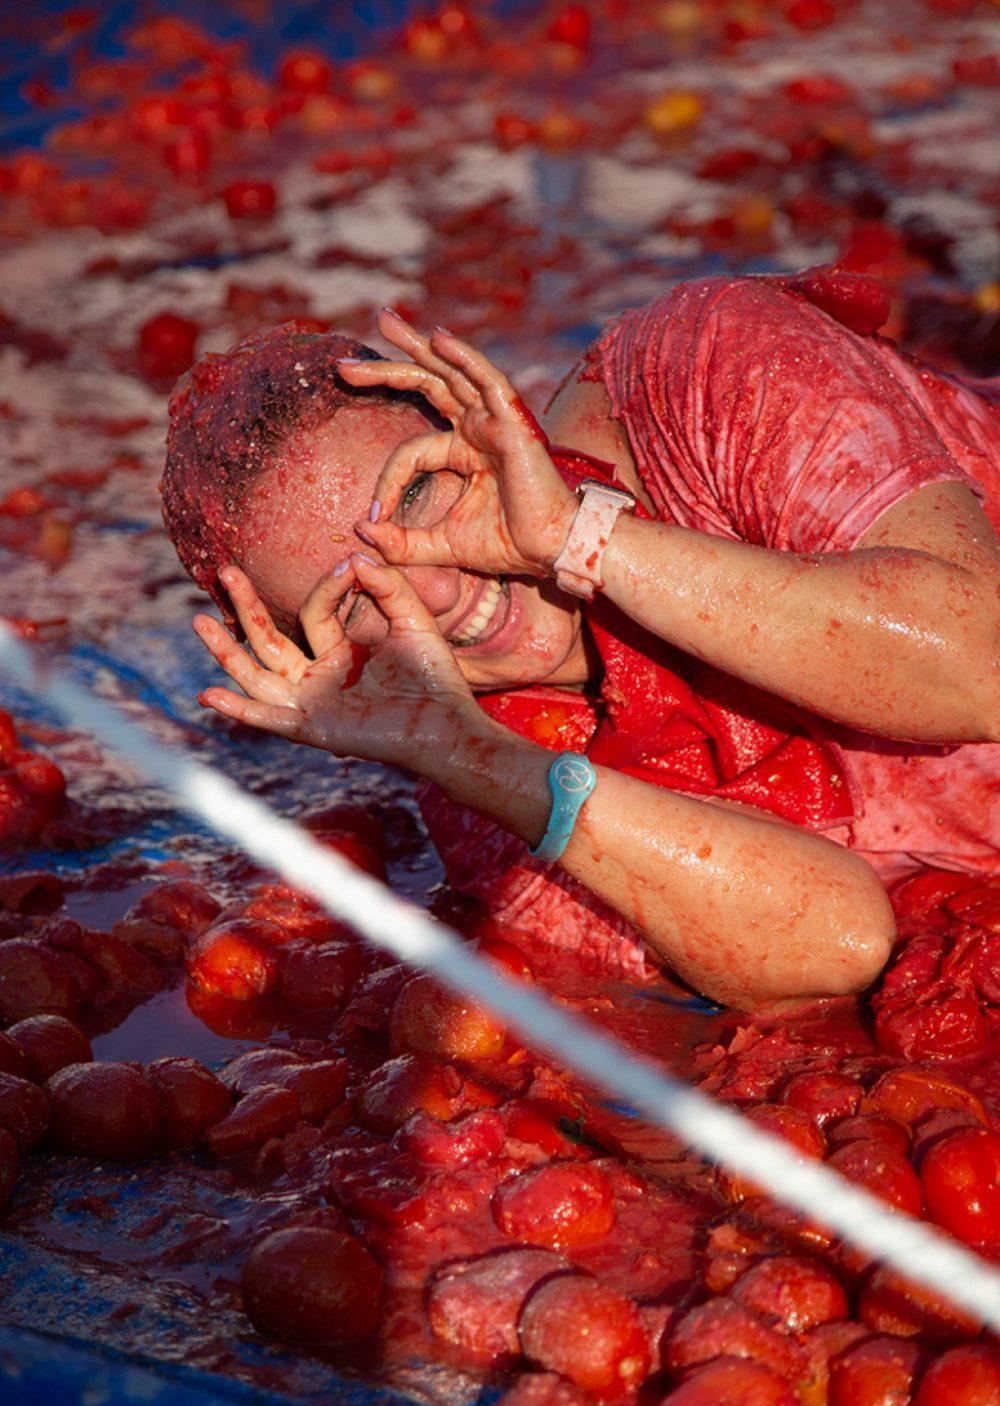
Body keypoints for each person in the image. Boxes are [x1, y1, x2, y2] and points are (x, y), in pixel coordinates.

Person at [161, 270, 1000, 1010]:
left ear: (471, 421)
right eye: (356, 600)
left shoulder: (703, 373)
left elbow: (982, 667)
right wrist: (465, 755)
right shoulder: (480, 795)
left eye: (418, 496)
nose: (440, 594)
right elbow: (841, 946)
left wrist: (580, 539)